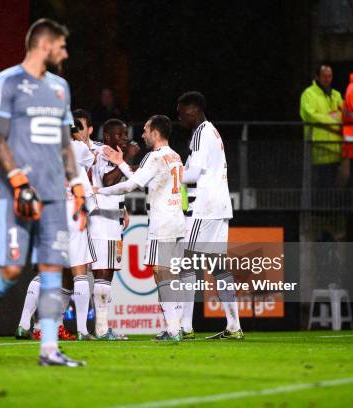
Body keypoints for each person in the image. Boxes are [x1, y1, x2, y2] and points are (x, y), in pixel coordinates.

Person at [0, 18, 88, 367]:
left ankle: (49, 349)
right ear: (45, 45)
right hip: (16, 194)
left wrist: (77, 184)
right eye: (62, 46)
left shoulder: (61, 88)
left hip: (53, 197)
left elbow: (66, 144)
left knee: (53, 270)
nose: (65, 53)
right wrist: (20, 183)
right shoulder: (6, 82)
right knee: (9, 271)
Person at [94, 115, 185, 340]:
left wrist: (99, 191)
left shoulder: (154, 157)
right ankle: (174, 326)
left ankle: (174, 328)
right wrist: (122, 163)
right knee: (167, 273)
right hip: (176, 220)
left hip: (161, 222)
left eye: (145, 130)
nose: (142, 134)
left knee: (161, 274)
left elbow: (131, 184)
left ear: (155, 133)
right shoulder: (175, 155)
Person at [15, 111, 98, 341]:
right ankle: (82, 330)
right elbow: (90, 159)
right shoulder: (77, 149)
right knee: (79, 272)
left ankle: (23, 325)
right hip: (71, 212)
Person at [177, 91, 243, 340]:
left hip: (204, 207)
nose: (179, 118)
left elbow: (193, 174)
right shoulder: (211, 131)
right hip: (219, 206)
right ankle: (234, 326)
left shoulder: (200, 134)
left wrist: (169, 175)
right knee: (217, 266)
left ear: (193, 110)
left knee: (186, 262)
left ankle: (185, 327)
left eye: (181, 113)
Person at [88, 118, 138, 340]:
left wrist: (122, 207)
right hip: (102, 223)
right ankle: (101, 329)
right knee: (102, 274)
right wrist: (127, 158)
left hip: (112, 222)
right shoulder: (107, 152)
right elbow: (108, 182)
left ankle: (102, 327)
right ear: (108, 136)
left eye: (126, 134)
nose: (124, 139)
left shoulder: (112, 153)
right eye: (120, 134)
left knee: (107, 275)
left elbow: (116, 186)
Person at [299, 64, 344, 188]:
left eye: (329, 76)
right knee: (320, 187)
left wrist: (326, 117)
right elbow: (310, 115)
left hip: (335, 150)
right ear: (317, 77)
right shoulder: (308, 94)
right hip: (318, 149)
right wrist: (332, 118)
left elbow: (344, 114)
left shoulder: (336, 94)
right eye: (324, 76)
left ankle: (326, 207)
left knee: (330, 186)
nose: (327, 79)